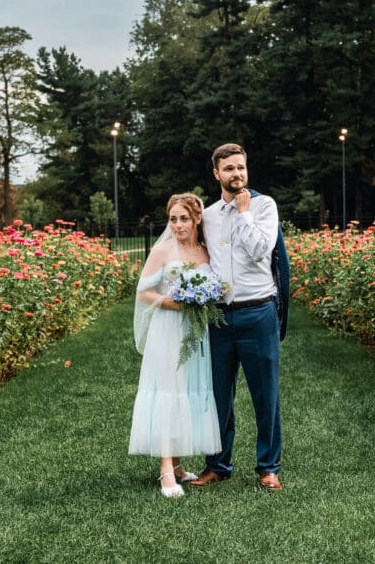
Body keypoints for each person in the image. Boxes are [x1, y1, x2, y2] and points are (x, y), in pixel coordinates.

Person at [190, 143, 284, 492]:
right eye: (229, 169)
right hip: (220, 318)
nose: (237, 174)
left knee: (266, 395)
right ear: (216, 173)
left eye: (241, 167)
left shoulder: (264, 205)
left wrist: (244, 213)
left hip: (258, 312)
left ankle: (268, 466)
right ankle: (217, 464)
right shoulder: (209, 215)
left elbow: (262, 249)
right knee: (217, 396)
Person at [129, 193, 222, 498]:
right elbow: (144, 292)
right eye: (173, 219)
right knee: (169, 390)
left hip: (196, 333)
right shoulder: (163, 250)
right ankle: (166, 469)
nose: (178, 225)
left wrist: (205, 300)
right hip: (169, 329)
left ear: (197, 219)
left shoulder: (205, 251)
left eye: (184, 218)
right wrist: (172, 302)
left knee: (188, 389)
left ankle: (180, 464)